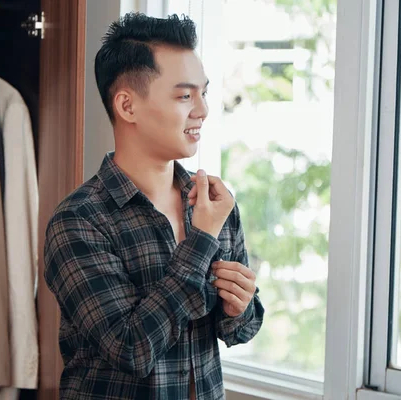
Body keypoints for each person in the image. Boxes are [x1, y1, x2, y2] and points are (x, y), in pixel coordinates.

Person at [44, 12, 264, 400]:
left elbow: (238, 331)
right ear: (127, 106)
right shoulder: (78, 221)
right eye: (184, 95)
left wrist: (240, 306)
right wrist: (202, 239)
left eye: (204, 92)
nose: (203, 110)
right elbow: (131, 348)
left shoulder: (213, 203)